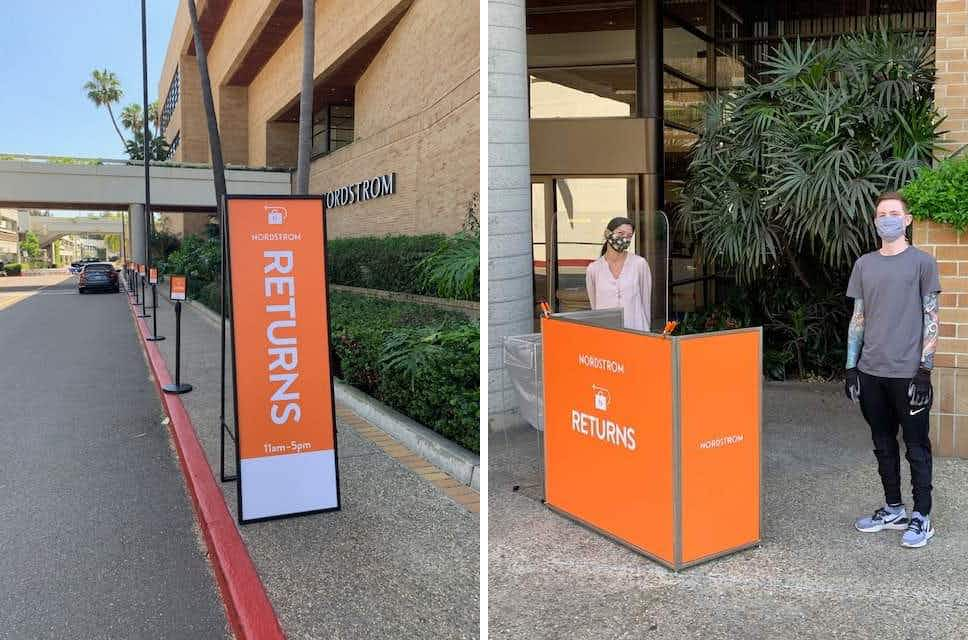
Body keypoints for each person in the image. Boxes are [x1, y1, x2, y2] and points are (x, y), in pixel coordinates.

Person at [845, 191, 940, 548]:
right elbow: (858, 318)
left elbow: (932, 318)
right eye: (882, 213)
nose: (888, 218)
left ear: (908, 219)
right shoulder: (864, 265)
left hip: (909, 373)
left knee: (916, 446)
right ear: (875, 222)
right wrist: (851, 367)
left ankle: (922, 516)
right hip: (871, 372)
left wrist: (924, 371)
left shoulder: (922, 263)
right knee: (883, 444)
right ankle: (894, 508)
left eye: (894, 213)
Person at [585, 217, 652, 332]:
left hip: (636, 330)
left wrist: (647, 332)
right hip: (606, 333)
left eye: (629, 236)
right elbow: (595, 306)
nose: (624, 238)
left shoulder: (639, 264)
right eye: (620, 233)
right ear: (607, 234)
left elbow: (646, 301)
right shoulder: (594, 269)